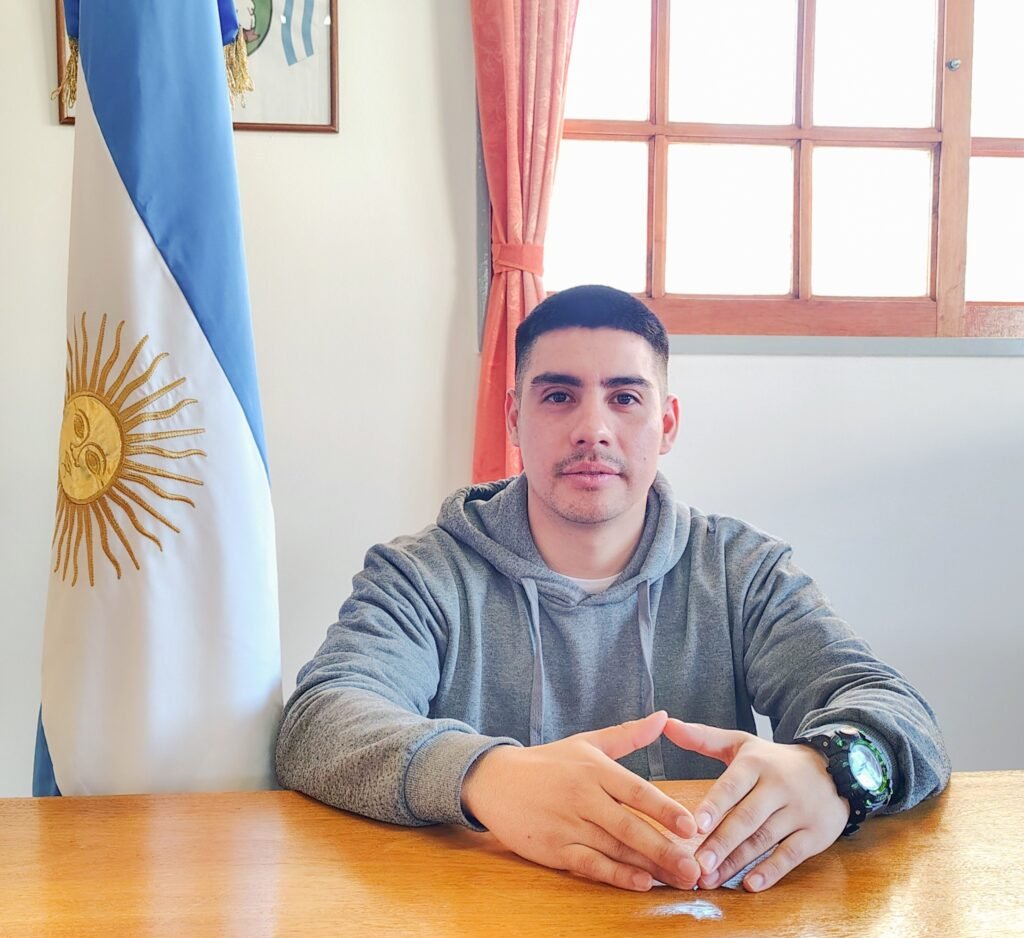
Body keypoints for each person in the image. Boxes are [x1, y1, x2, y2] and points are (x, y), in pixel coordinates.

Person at [276, 284, 950, 894]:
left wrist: (835, 769)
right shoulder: (422, 573)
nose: (592, 430)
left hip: (700, 930)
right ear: (514, 417)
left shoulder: (741, 569)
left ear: (668, 423)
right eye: (558, 396)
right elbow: (320, 720)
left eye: (625, 398)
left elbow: (895, 709)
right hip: (481, 925)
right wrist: (485, 775)